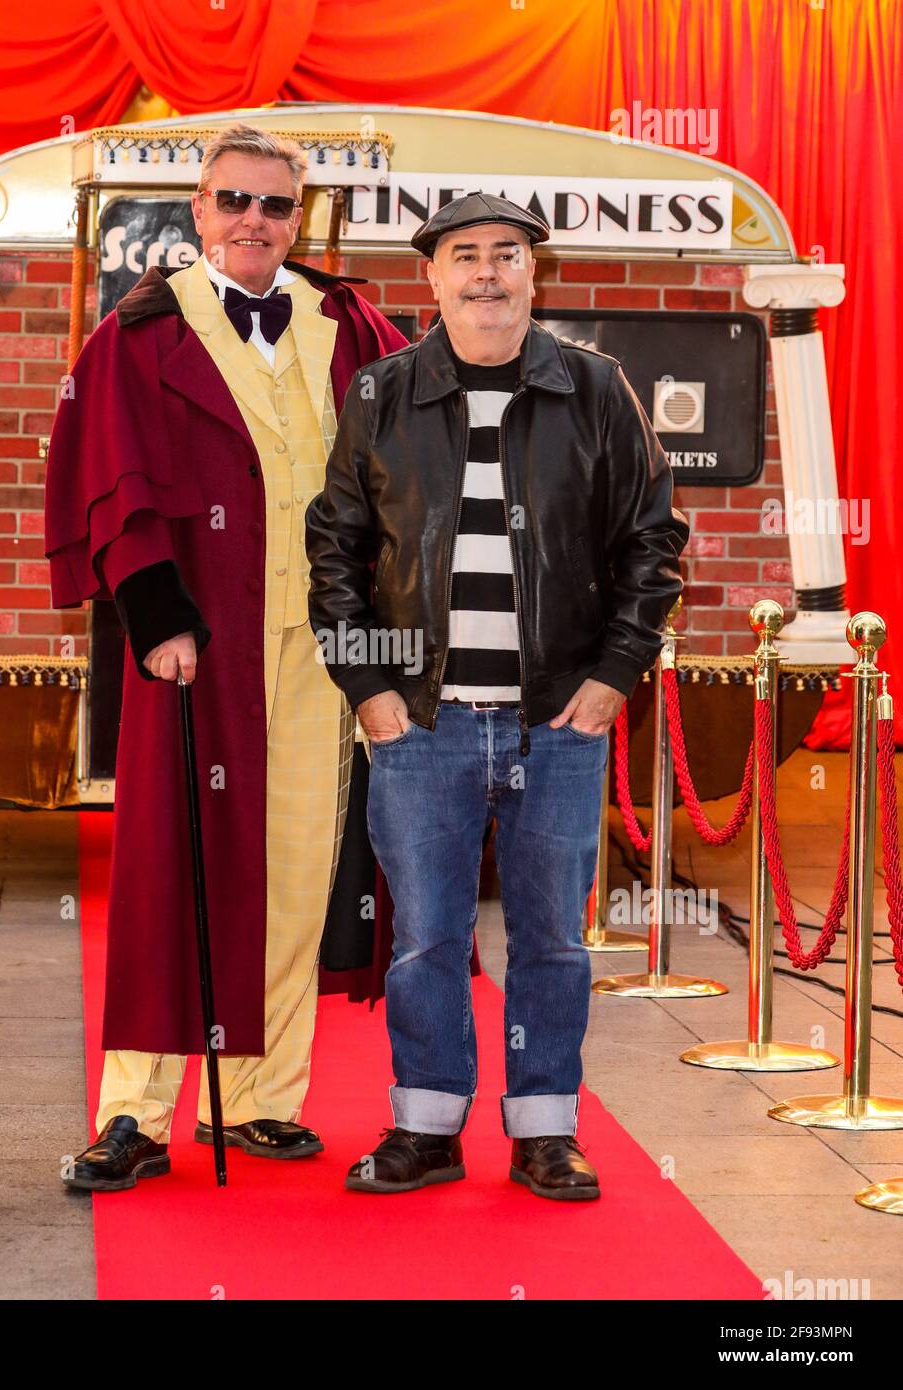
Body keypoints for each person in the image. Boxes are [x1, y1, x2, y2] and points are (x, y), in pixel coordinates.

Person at [45, 123, 407, 1190]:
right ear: (196, 212)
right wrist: (154, 613)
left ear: (300, 219)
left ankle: (259, 1098)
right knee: (170, 870)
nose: (254, 221)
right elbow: (110, 474)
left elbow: (404, 465)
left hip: (319, 641)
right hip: (195, 643)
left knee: (298, 867)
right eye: (233, 201)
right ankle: (136, 1112)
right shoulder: (140, 332)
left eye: (275, 206)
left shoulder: (345, 323)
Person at [306, 192, 688, 1200]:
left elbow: (651, 542)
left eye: (505, 255)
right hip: (420, 723)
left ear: (532, 274)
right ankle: (423, 1125)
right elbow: (335, 548)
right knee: (426, 935)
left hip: (556, 722)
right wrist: (368, 685)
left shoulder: (595, 389)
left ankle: (543, 1130)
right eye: (463, 255)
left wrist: (612, 675)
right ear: (430, 278)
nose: (485, 273)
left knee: (552, 937)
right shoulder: (381, 392)